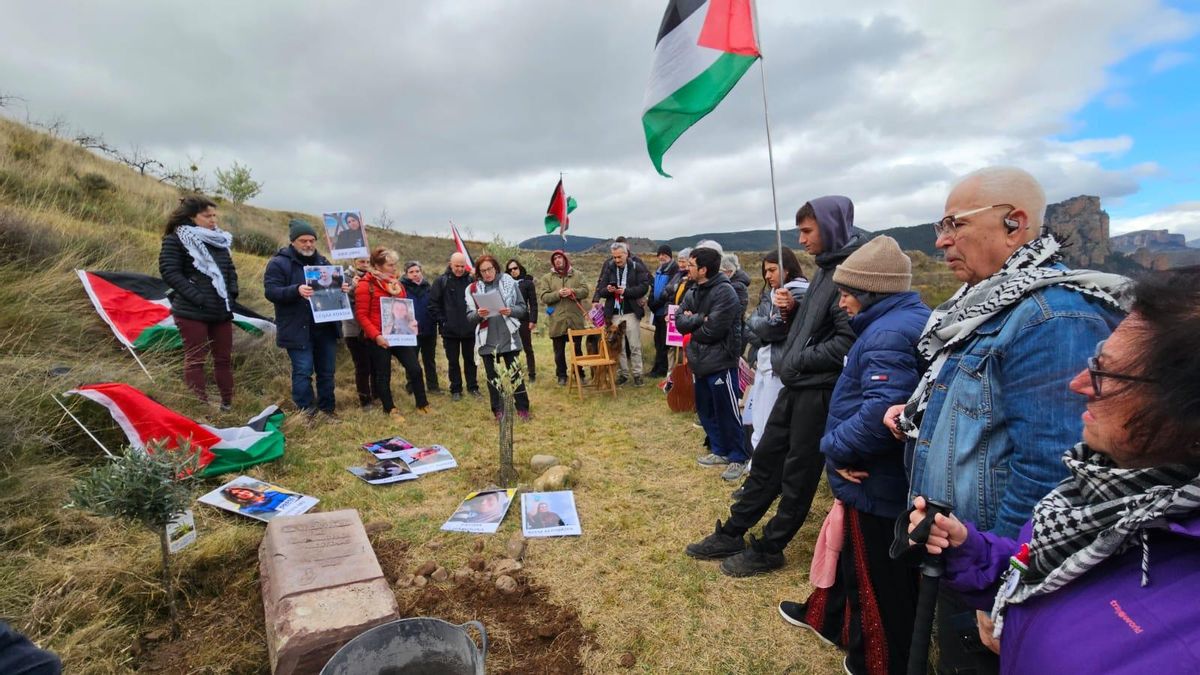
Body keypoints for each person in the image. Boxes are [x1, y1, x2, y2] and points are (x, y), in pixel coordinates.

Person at [883, 167, 1127, 673]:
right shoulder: (986, 307)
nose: (941, 240)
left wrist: (1007, 583)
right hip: (963, 552)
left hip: (991, 562)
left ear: (1014, 224)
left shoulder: (1052, 318)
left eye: (954, 224)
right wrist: (915, 417)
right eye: (940, 226)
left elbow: (1052, 471)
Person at [906, 270, 1200, 675]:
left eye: (1106, 373)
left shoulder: (1052, 316)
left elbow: (1038, 461)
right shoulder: (1098, 490)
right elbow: (1054, 572)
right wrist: (973, 551)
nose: (1078, 384)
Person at [776, 237, 931, 675]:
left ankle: (880, 661)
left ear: (871, 291)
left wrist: (835, 447)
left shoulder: (887, 334)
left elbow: (884, 411)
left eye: (847, 293)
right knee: (854, 554)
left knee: (881, 577)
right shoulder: (902, 322)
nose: (841, 303)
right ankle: (829, 618)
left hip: (875, 475)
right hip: (878, 473)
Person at [685, 196, 861, 577]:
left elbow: (848, 341)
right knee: (766, 459)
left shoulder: (849, 273)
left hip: (818, 391)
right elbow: (818, 328)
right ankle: (733, 531)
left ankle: (771, 546)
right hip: (796, 385)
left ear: (831, 227)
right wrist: (793, 313)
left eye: (807, 231)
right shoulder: (824, 270)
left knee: (798, 474)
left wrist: (798, 359)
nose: (801, 239)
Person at [157, 195, 238, 410]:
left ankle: (227, 405)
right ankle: (199, 407)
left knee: (224, 359)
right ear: (192, 217)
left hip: (221, 310)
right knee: (196, 359)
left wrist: (232, 294)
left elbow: (229, 270)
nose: (213, 220)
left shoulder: (219, 240)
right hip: (191, 311)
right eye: (207, 216)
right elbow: (169, 271)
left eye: (214, 215)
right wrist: (197, 297)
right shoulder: (176, 239)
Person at [677, 247, 751, 481]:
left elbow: (713, 331)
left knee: (727, 410)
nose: (687, 268)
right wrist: (700, 318)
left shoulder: (725, 293)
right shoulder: (693, 289)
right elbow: (679, 322)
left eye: (691, 265)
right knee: (706, 409)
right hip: (699, 361)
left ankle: (738, 457)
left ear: (703, 269)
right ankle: (719, 450)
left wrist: (693, 324)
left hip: (720, 362)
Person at [264, 219, 346, 420]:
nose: (308, 244)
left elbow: (333, 289)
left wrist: (342, 288)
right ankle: (306, 413)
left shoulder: (323, 262)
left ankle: (328, 410)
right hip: (297, 328)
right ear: (293, 241)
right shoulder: (278, 263)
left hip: (325, 327)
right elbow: (271, 291)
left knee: (327, 372)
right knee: (303, 371)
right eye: (303, 241)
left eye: (312, 240)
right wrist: (296, 290)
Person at [743, 248, 808, 454]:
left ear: (787, 269)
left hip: (780, 366)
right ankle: (756, 463)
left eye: (772, 270)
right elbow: (751, 325)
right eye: (765, 271)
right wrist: (763, 330)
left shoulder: (798, 293)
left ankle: (768, 466)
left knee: (771, 422)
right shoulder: (769, 293)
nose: (767, 276)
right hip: (764, 363)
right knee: (758, 419)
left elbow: (775, 328)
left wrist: (763, 328)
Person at [355, 247, 430, 421]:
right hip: (378, 337)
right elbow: (361, 315)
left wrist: (411, 323)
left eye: (395, 264)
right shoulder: (365, 285)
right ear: (377, 266)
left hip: (399, 334)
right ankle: (390, 408)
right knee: (383, 374)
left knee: (415, 369)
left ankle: (422, 404)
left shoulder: (397, 284)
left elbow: (404, 308)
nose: (394, 268)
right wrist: (376, 336)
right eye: (390, 265)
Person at [465, 255, 531, 420]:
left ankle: (523, 409)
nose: (487, 273)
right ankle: (498, 410)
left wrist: (510, 311)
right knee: (493, 378)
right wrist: (478, 314)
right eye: (483, 271)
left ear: (496, 268)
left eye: (490, 269)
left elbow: (522, 308)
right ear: (479, 273)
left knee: (515, 375)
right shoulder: (472, 289)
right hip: (487, 340)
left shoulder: (509, 282)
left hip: (509, 336)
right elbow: (469, 317)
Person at [597, 242, 651, 386]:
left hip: (630, 312)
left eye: (619, 257)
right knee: (617, 347)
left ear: (626, 254)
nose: (616, 260)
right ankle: (623, 374)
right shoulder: (609, 268)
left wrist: (626, 291)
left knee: (634, 345)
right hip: (614, 313)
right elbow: (601, 289)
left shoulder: (636, 267)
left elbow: (644, 287)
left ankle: (638, 374)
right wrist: (608, 290)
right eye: (614, 257)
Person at [430, 252, 481, 400]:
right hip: (449, 331)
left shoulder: (472, 281)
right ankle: (456, 389)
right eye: (456, 266)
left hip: (469, 329)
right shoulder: (441, 281)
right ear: (450, 264)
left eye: (462, 266)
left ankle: (473, 387)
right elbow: (433, 305)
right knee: (453, 362)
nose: (459, 269)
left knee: (470, 360)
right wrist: (443, 322)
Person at [537, 250, 591, 386]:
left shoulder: (578, 275)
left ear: (565, 259)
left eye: (560, 257)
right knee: (559, 351)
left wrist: (573, 291)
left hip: (575, 319)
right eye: (555, 258)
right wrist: (558, 294)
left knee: (577, 350)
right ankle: (561, 375)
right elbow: (544, 297)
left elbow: (585, 291)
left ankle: (579, 374)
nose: (557, 260)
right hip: (557, 320)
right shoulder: (547, 278)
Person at [401, 261, 441, 394]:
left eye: (417, 271)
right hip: (410, 331)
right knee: (412, 361)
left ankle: (433, 387)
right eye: (411, 272)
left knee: (429, 360)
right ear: (406, 274)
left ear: (421, 272)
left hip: (429, 329)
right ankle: (412, 387)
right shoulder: (401, 288)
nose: (415, 274)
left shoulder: (429, 287)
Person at [342, 257, 375, 409]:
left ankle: (377, 394)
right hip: (353, 329)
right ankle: (365, 400)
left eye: (368, 262)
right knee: (362, 366)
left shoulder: (373, 277)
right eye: (362, 261)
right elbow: (340, 301)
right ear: (354, 261)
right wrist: (353, 288)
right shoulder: (344, 277)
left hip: (371, 328)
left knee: (374, 364)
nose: (365, 265)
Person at [647, 244, 678, 378]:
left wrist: (657, 303)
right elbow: (654, 287)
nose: (661, 257)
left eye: (664, 255)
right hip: (657, 312)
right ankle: (657, 367)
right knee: (658, 341)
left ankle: (663, 369)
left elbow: (669, 292)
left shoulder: (674, 270)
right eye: (659, 255)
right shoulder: (659, 269)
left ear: (669, 256)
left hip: (665, 311)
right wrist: (651, 301)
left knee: (665, 342)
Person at [506, 258, 539, 383]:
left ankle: (532, 374)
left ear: (519, 268)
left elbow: (533, 303)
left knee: (527, 347)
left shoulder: (527, 283)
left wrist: (533, 320)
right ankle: (516, 374)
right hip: (509, 319)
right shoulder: (506, 284)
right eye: (510, 270)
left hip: (524, 319)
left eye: (515, 268)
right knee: (513, 349)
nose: (513, 271)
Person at [222, 485, 293, 516]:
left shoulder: (271, 493)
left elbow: (294, 497)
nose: (243, 493)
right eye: (237, 494)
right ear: (236, 499)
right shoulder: (247, 510)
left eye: (241, 490)